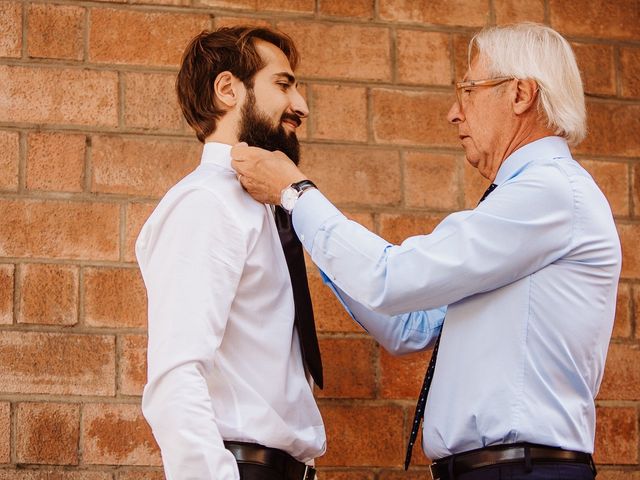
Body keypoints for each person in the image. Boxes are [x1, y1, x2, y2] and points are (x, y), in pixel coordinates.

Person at [231, 23, 621, 480]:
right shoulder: (524, 204)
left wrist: (297, 197)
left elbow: (391, 278)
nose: (454, 113)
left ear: (520, 94)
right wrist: (314, 234)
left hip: (522, 471)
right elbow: (407, 327)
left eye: (468, 90)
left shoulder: (551, 192)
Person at [136, 26, 325, 480]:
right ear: (228, 89)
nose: (300, 105)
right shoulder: (206, 203)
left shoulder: (266, 207)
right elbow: (175, 378)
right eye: (283, 84)